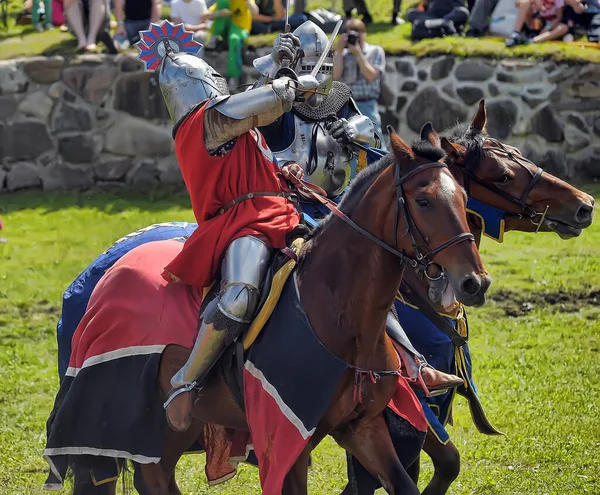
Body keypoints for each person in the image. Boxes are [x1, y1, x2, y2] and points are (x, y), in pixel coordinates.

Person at [253, 22, 463, 396]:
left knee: (380, 269)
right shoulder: (273, 102)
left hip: (337, 207)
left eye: (321, 61)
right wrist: (273, 72)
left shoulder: (339, 99)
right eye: (306, 62)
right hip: (285, 207)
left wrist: (352, 134)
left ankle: (412, 359)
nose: (313, 71)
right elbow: (252, 144)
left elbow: (376, 149)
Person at [150, 28, 310, 432]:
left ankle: (406, 363)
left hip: (278, 212)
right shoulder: (203, 125)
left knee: (354, 256)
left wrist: (281, 172)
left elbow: (259, 112)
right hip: (241, 223)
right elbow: (270, 99)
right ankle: (186, 381)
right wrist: (290, 78)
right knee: (240, 295)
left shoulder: (235, 126)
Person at [333, 18, 386, 150]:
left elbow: (371, 76)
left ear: (364, 33)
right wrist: (339, 50)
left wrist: (358, 53)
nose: (354, 37)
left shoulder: (375, 51)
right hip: (347, 106)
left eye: (358, 33)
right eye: (350, 34)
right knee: (348, 147)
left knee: (376, 144)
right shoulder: (342, 54)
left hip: (368, 105)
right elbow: (335, 76)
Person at [203, 0, 258, 89]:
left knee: (234, 40)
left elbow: (255, 12)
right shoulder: (223, 2)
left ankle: (234, 76)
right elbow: (205, 15)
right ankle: (215, 36)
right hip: (225, 30)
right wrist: (219, 13)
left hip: (240, 29)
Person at [505, 0, 577, 46]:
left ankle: (532, 41)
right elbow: (517, 3)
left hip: (547, 26)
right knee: (525, 3)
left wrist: (548, 27)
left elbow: (559, 17)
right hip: (532, 23)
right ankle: (515, 34)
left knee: (564, 28)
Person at [406, 0, 471, 34]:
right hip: (432, 16)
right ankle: (440, 24)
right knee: (411, 13)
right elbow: (424, 5)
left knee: (463, 12)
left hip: (450, 15)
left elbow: (463, 7)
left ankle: (435, 24)